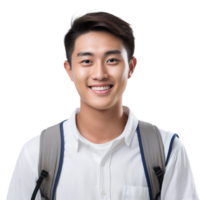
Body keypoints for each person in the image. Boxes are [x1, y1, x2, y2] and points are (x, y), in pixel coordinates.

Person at [5, 7, 199, 200]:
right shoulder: (36, 153)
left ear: (132, 67)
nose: (99, 74)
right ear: (69, 69)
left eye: (112, 60)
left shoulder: (168, 150)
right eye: (87, 61)